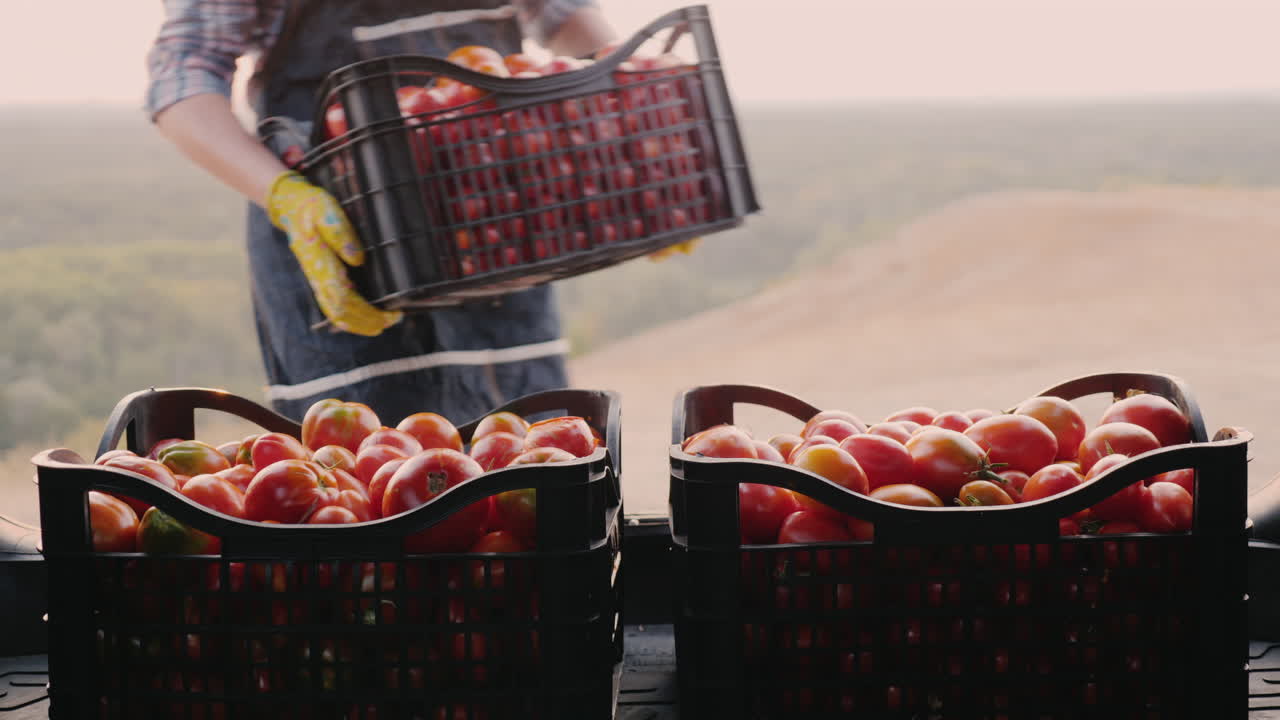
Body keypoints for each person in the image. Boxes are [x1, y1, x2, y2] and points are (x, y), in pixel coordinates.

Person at [146, 1, 620, 425]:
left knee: (534, 470)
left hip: (493, 226)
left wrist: (630, 96)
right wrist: (284, 196)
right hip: (341, 231)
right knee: (367, 488)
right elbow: (184, 71)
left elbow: (561, 13)